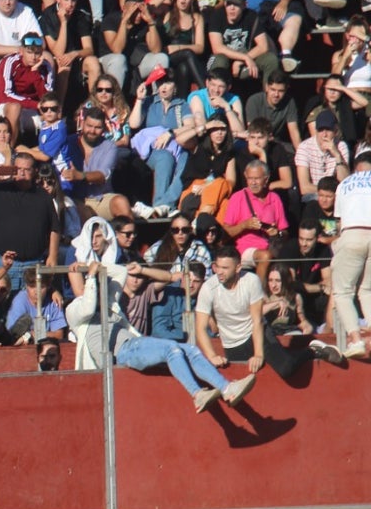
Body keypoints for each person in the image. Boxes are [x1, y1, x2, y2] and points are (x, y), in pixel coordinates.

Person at [67, 261, 255, 413]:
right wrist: (90, 276)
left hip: (134, 345)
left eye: (101, 282)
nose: (102, 287)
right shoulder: (74, 309)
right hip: (122, 353)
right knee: (171, 349)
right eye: (96, 283)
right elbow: (88, 306)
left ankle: (227, 389)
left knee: (190, 348)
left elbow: (121, 273)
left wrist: (96, 264)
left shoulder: (109, 303)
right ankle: (197, 394)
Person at [196, 245, 343, 384]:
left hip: (257, 333)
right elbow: (200, 327)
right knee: (241, 383)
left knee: (286, 368)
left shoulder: (250, 281)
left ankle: (312, 350)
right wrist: (212, 355)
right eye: (217, 267)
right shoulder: (209, 288)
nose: (219, 272)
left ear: (238, 268)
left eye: (225, 268)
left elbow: (257, 320)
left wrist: (259, 354)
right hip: (232, 343)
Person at [0, 154, 59, 290]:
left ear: (34, 171)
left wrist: (53, 255)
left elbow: (54, 228)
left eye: (26, 169)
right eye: (18, 168)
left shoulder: (43, 196)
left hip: (33, 265)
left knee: (31, 309)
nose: (21, 172)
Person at [331, 156, 371, 357]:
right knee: (367, 290)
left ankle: (356, 340)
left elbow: (340, 221)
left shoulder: (345, 184)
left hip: (352, 232)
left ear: (356, 169)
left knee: (342, 292)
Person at [207, 0, 280, 83]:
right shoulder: (217, 16)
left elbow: (263, 46)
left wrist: (241, 61)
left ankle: (268, 95)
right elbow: (217, 48)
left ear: (244, 5)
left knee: (271, 60)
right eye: (229, 4)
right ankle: (215, 96)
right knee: (220, 60)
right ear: (224, 4)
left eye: (236, 4)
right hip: (223, 59)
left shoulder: (251, 16)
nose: (232, 8)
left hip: (244, 61)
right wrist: (244, 58)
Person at [295, 110, 350, 200]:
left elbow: (345, 183)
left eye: (328, 130)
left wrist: (337, 155)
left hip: (335, 197)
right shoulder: (304, 148)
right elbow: (304, 187)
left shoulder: (341, 146)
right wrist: (326, 193)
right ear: (316, 131)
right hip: (313, 195)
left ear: (335, 131)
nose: (324, 134)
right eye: (320, 130)